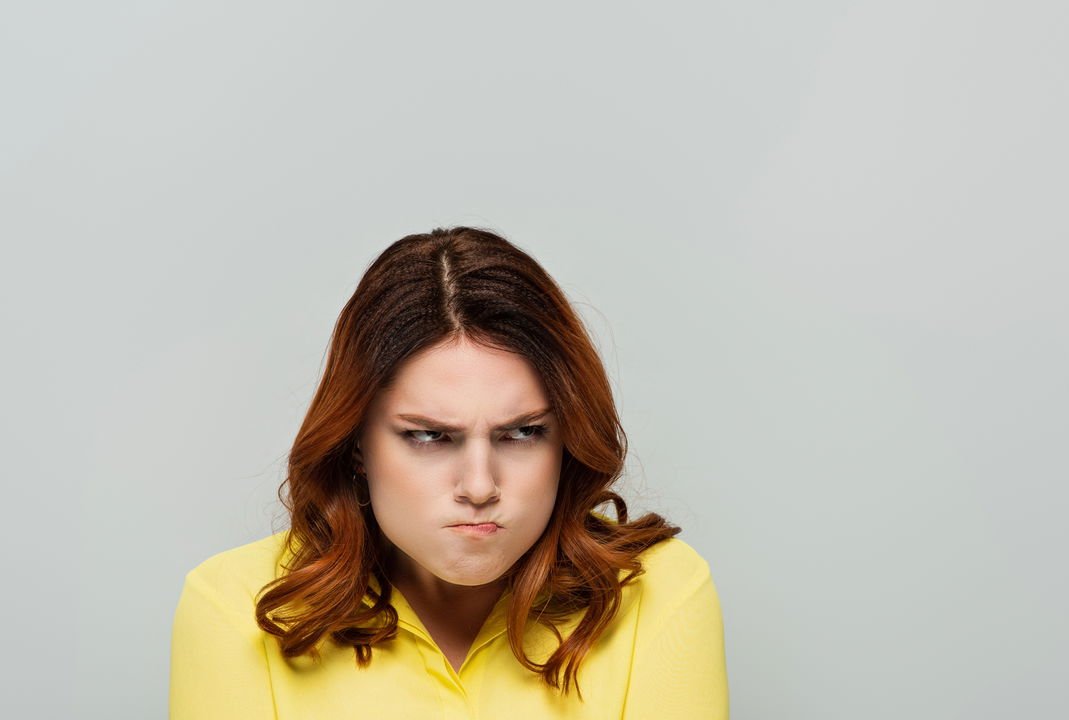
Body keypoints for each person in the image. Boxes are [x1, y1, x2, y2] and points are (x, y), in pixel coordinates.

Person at [168, 227, 729, 719]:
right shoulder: (237, 607)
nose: (480, 487)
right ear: (356, 442)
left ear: (567, 438)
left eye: (522, 432)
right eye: (430, 436)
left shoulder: (657, 593)